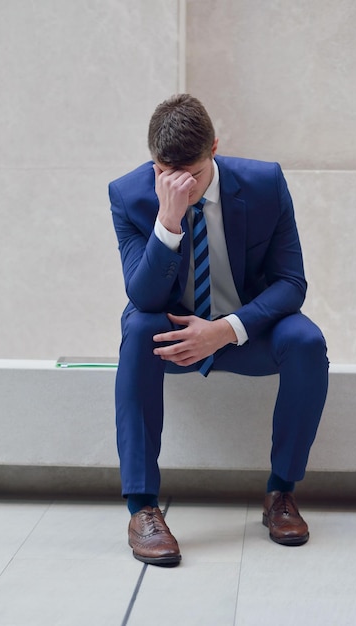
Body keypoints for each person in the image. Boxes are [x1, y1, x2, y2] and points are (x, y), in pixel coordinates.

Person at [109, 94, 328, 566]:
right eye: (169, 176)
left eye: (194, 175)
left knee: (306, 341)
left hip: (242, 331)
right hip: (171, 337)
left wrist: (225, 329)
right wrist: (168, 223)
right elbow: (143, 297)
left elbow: (292, 283)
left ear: (215, 148)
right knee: (136, 328)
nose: (183, 187)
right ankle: (142, 509)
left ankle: (281, 494)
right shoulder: (129, 195)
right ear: (154, 163)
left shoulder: (265, 183)